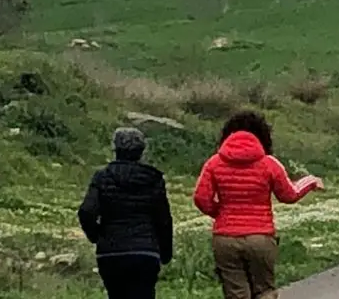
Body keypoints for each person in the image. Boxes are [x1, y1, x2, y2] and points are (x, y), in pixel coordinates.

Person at [193, 111, 322, 299]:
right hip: (260, 237)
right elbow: (289, 195)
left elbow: (200, 198)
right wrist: (309, 181)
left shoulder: (214, 163)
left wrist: (221, 214)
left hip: (225, 238)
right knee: (264, 290)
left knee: (236, 292)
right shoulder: (269, 164)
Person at [79, 126, 173, 299]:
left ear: (115, 149)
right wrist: (165, 252)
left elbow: (86, 212)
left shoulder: (102, 177)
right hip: (145, 251)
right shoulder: (153, 179)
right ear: (142, 151)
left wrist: (98, 236)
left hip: (111, 251)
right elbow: (163, 219)